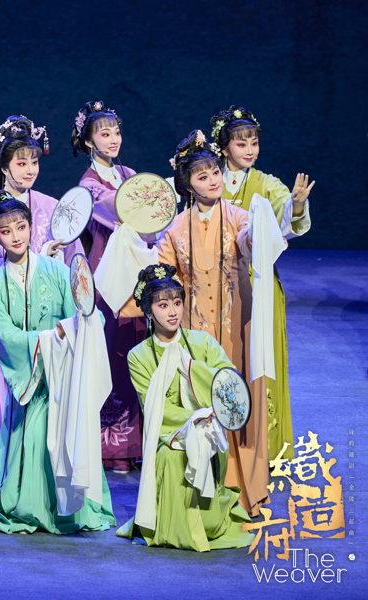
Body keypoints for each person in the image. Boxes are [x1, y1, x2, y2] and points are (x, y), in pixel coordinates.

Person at [127, 130, 308, 516]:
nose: (213, 180)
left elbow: (254, 241)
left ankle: (241, 486)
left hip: (237, 325)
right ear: (188, 185)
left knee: (236, 399)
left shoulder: (239, 216)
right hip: (195, 331)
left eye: (215, 173)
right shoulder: (176, 228)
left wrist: (286, 213)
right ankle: (203, 489)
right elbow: (164, 279)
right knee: (200, 403)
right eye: (202, 176)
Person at [0, 191, 115, 535]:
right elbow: (5, 335)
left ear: (30, 226)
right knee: (32, 438)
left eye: (21, 227)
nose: (16, 236)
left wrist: (72, 328)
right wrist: (51, 337)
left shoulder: (56, 270)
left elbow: (87, 315)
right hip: (30, 378)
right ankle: (28, 506)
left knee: (66, 437)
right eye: (6, 231)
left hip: (62, 376)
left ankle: (73, 508)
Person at [116, 264, 254, 551]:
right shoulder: (138, 356)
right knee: (173, 455)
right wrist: (194, 417)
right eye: (163, 305)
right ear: (148, 311)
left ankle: (209, 522)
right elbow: (154, 408)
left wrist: (202, 394)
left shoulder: (203, 342)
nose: (173, 312)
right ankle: (174, 527)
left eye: (177, 303)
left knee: (202, 445)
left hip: (209, 426)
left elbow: (228, 382)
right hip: (169, 431)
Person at [0, 115, 85, 472]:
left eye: (34, 162)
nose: (29, 170)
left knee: (49, 397)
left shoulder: (53, 207)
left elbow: (76, 262)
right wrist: (38, 256)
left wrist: (62, 269)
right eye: (21, 163)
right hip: (7, 316)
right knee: (5, 394)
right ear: (3, 166)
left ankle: (45, 478)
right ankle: (4, 477)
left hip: (48, 319)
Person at [210, 105, 313, 460]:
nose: (250, 150)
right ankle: (220, 447)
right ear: (224, 147)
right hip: (216, 286)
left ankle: (261, 447)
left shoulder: (266, 184)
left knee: (259, 360)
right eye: (241, 143)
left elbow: (285, 213)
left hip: (259, 287)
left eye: (254, 142)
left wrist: (296, 205)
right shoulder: (209, 180)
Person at [72, 101, 144, 473]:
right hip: (106, 276)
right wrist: (150, 198)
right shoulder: (88, 186)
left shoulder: (129, 174)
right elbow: (121, 209)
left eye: (116, 132)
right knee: (111, 354)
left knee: (136, 350)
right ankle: (110, 448)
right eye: (104, 134)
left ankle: (137, 443)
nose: (113, 139)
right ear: (88, 141)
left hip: (136, 273)